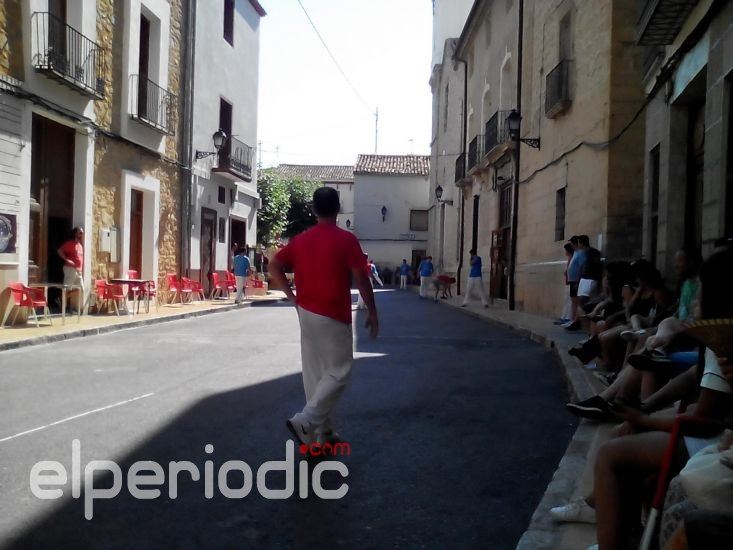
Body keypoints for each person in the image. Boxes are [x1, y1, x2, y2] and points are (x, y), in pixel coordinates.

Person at [269, 187, 378, 446]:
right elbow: (361, 278)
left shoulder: (301, 240)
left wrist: (292, 297)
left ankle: (323, 434)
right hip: (334, 313)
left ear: (313, 209)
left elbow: (274, 265)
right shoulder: (346, 239)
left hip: (305, 312)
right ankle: (306, 421)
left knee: (315, 373)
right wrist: (373, 312)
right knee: (339, 371)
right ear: (338, 208)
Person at [57, 226, 84, 312]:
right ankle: (63, 307)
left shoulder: (80, 245)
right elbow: (59, 251)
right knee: (67, 288)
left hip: (78, 271)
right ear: (75, 234)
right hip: (70, 269)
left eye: (82, 233)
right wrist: (67, 259)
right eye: (80, 233)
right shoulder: (70, 243)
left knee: (81, 289)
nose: (82, 234)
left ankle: (61, 299)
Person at [564, 236, 587, 330]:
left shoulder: (580, 253)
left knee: (577, 301)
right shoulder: (576, 253)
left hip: (576, 280)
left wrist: (578, 279)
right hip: (573, 280)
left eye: (572, 243)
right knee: (573, 300)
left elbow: (581, 266)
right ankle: (572, 319)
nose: (571, 245)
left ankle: (576, 320)